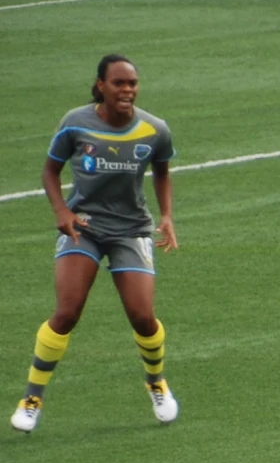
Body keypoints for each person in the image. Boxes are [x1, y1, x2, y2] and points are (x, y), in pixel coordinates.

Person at [14, 54, 179, 432]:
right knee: (67, 312)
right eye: (119, 83)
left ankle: (156, 382)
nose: (127, 90)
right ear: (101, 85)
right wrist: (61, 211)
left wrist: (167, 215)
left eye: (132, 83)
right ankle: (32, 397)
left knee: (142, 316)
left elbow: (163, 172)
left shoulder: (154, 129)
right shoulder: (75, 123)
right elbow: (50, 170)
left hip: (131, 230)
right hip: (83, 228)